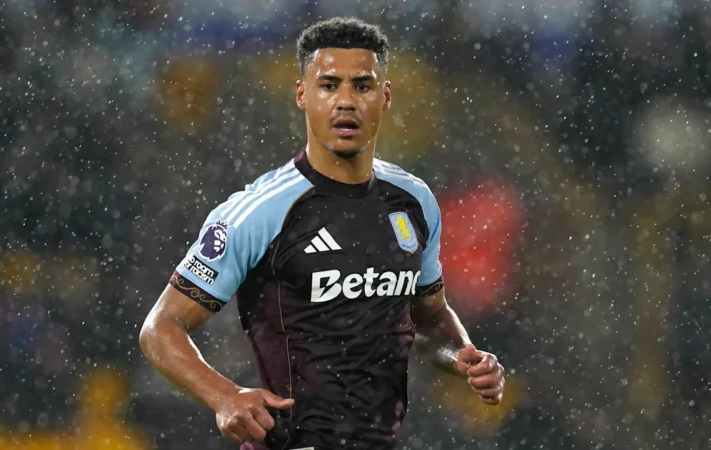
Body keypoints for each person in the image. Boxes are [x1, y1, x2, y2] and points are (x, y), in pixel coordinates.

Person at [139, 17, 505, 450]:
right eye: (329, 85)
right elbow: (160, 328)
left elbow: (428, 319)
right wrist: (225, 395)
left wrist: (463, 356)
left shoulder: (415, 200)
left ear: (385, 96)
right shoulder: (259, 212)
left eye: (362, 86)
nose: (346, 101)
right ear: (302, 94)